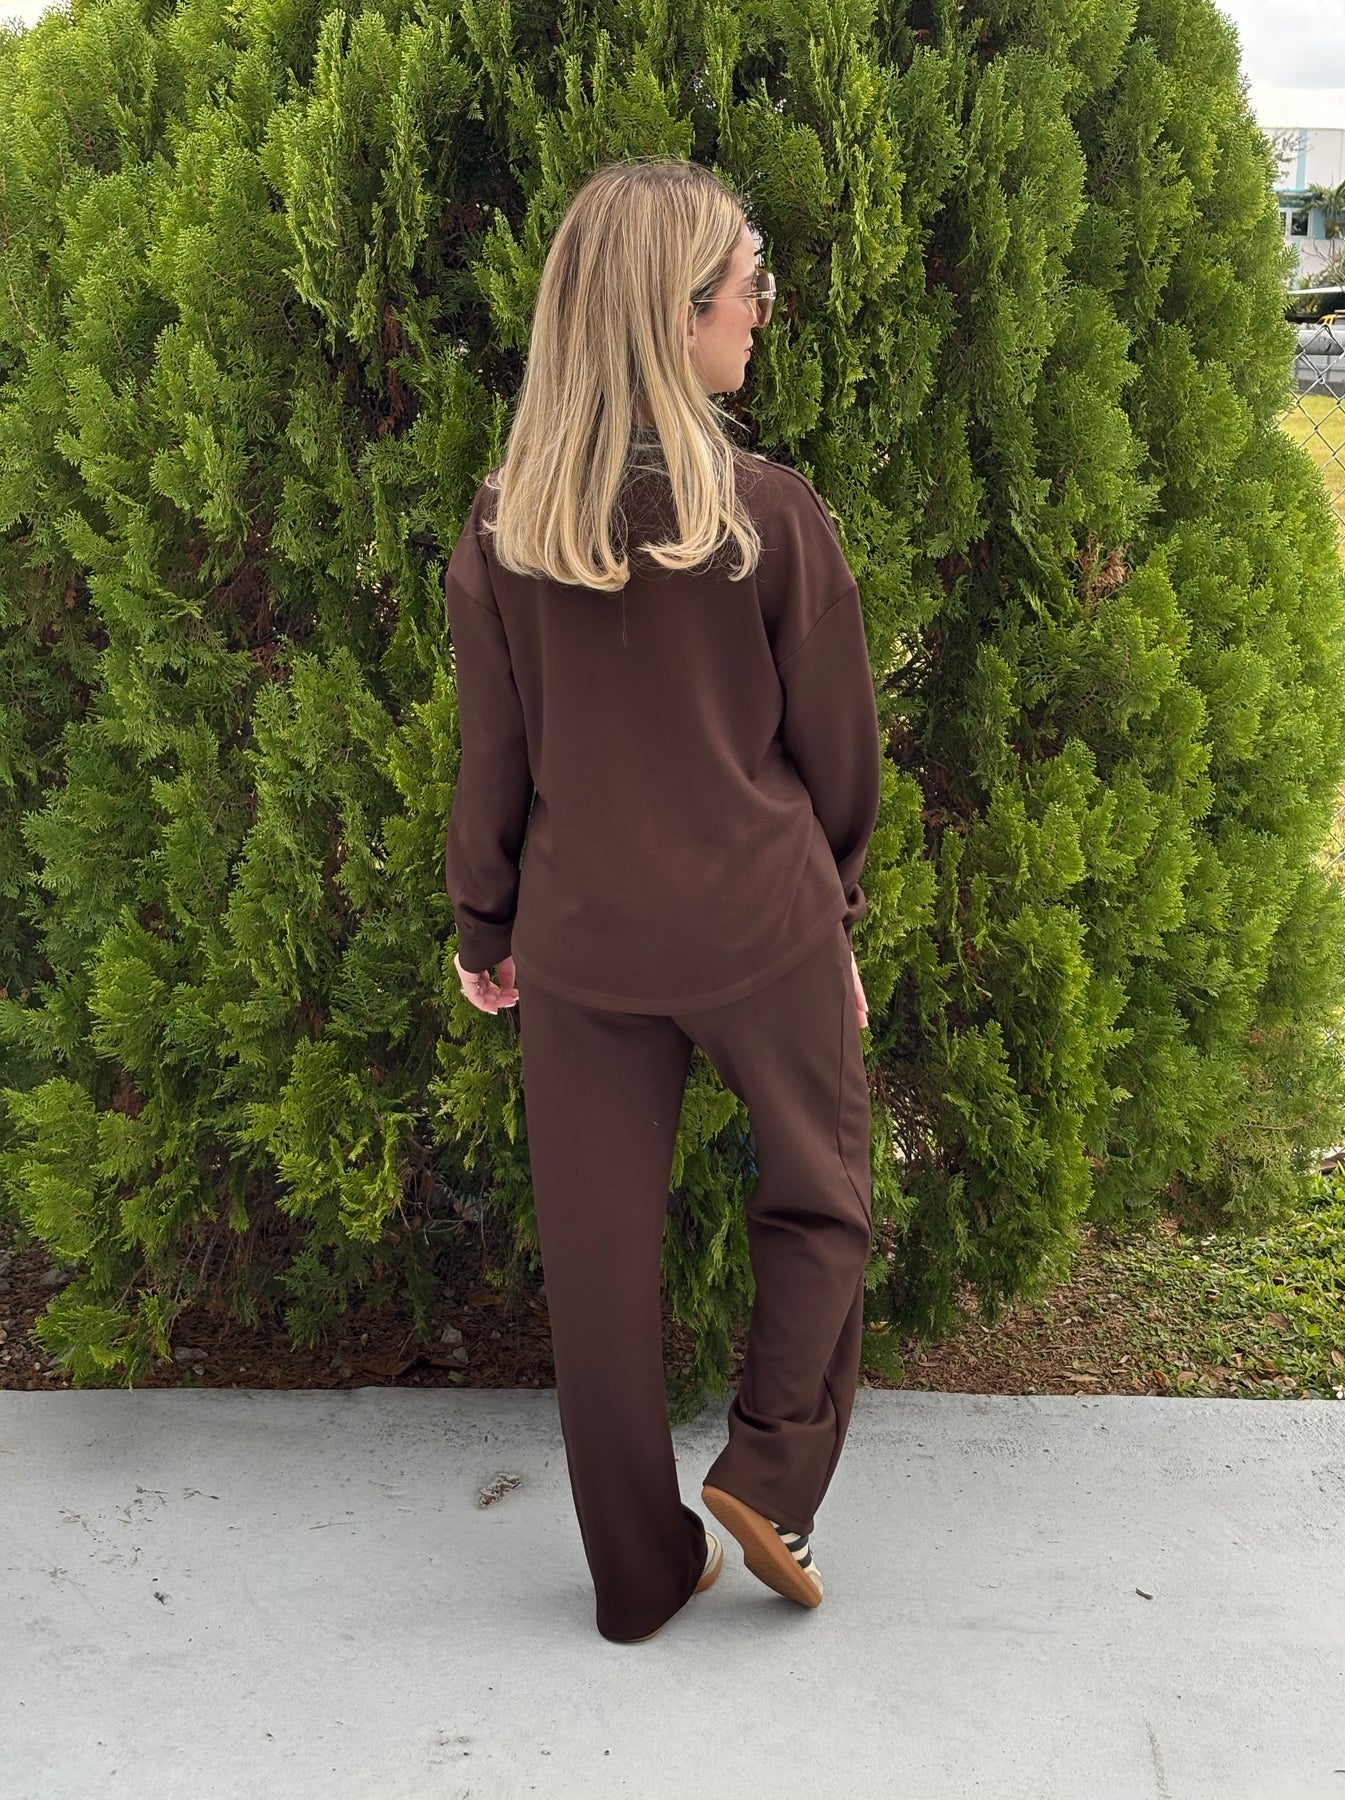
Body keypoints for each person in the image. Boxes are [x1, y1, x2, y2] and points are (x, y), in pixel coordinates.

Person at [442, 155, 881, 1644]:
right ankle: (768, 1471)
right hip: (762, 923)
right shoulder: (767, 516)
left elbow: (492, 759)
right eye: (749, 285)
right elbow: (838, 751)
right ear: (675, 313)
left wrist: (485, 926)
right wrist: (836, 912)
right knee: (820, 1194)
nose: (764, 309)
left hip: (582, 943)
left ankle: (636, 1574)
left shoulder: (506, 528)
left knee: (598, 1267)